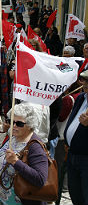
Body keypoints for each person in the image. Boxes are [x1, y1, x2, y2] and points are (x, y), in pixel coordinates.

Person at [0, 103, 49, 205]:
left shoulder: (35, 147)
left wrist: (16, 162)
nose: (13, 126)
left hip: (22, 200)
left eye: (19, 124)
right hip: (3, 198)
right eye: (11, 122)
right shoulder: (13, 138)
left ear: (30, 125)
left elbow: (40, 179)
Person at [64, 69, 88, 204]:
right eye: (84, 80)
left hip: (86, 158)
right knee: (76, 195)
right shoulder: (81, 97)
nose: (85, 84)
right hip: (73, 155)